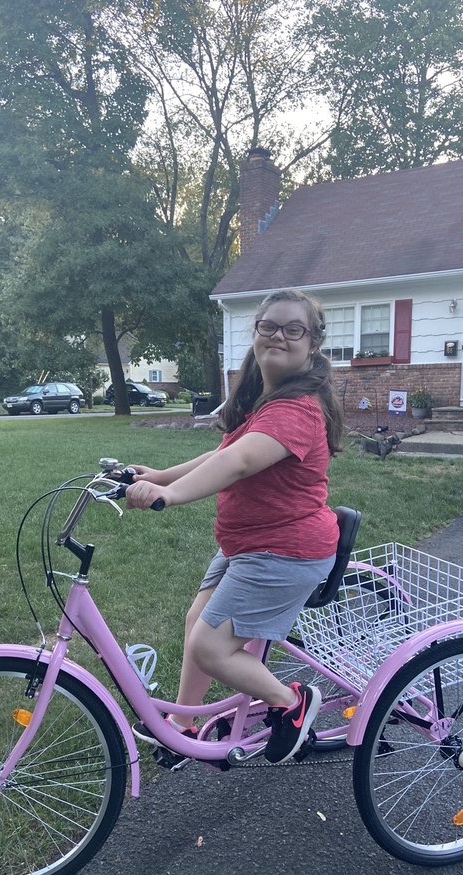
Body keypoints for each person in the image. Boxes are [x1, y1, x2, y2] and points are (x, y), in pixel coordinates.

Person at [126, 288, 343, 763]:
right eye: (269, 326)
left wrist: (170, 495)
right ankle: (183, 726)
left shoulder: (297, 409)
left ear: (312, 344)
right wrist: (159, 476)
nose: (279, 336)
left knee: (210, 646)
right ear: (256, 332)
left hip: (286, 550)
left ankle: (291, 703)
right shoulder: (265, 400)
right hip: (249, 544)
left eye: (294, 329)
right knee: (197, 624)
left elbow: (239, 462)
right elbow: (225, 451)